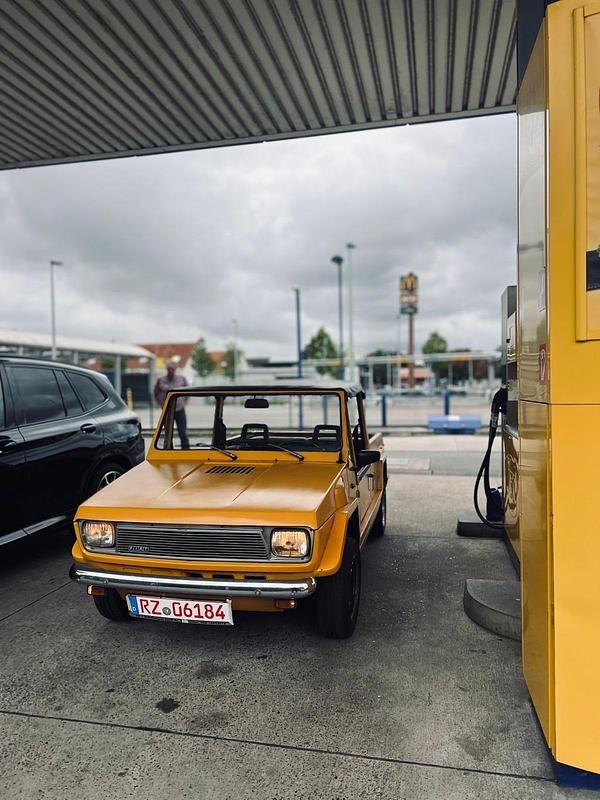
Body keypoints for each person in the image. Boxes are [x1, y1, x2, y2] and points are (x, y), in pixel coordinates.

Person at [154, 360, 190, 448]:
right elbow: (156, 393)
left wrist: (185, 402)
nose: (171, 371)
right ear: (166, 369)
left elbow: (188, 391)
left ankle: (186, 450)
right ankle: (169, 450)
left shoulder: (181, 379)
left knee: (183, 432)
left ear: (175, 369)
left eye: (173, 369)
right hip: (167, 410)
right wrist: (161, 404)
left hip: (179, 409)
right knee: (168, 433)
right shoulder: (161, 380)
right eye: (169, 369)